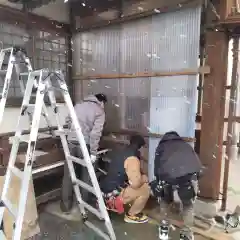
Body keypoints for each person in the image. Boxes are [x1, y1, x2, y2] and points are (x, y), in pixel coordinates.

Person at [150, 131, 202, 240]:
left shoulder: (162, 147)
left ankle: (164, 229)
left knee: (165, 201)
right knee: (187, 205)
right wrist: (194, 179)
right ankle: (186, 234)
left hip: (167, 176)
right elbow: (196, 164)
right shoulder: (185, 146)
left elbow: (157, 167)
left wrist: (159, 182)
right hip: (186, 177)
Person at [60, 93, 107, 213]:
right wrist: (93, 153)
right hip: (85, 145)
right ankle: (84, 206)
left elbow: (68, 120)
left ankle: (65, 207)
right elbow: (95, 134)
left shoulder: (77, 106)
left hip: (71, 143)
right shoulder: (99, 111)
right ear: (101, 102)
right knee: (87, 174)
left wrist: (74, 133)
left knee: (69, 174)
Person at [100, 135, 150, 224]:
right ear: (140, 147)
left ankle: (106, 204)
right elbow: (135, 183)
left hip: (105, 189)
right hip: (113, 194)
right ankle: (131, 215)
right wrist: (144, 179)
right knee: (145, 188)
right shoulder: (132, 158)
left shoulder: (121, 151)